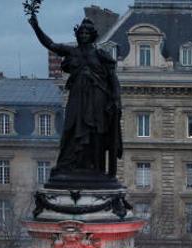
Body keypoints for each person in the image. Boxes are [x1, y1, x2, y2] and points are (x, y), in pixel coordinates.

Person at [27, 12, 122, 179]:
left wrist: (116, 99)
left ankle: (96, 167)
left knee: (96, 131)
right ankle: (69, 163)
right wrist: (36, 27)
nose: (84, 36)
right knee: (71, 128)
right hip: (77, 97)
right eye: (82, 33)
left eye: (87, 33)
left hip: (97, 97)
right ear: (78, 35)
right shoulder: (72, 52)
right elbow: (50, 44)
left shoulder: (101, 55)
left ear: (93, 36)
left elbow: (113, 79)